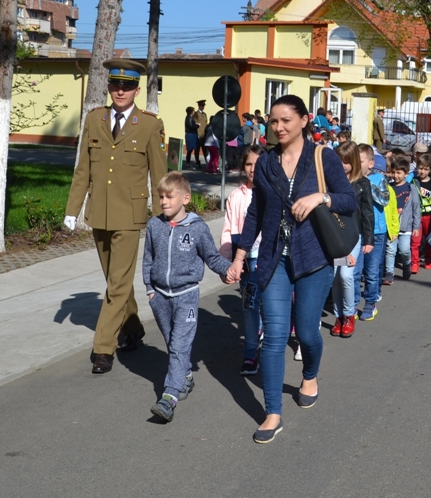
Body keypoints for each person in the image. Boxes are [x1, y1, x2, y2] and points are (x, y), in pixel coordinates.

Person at [226, 95, 357, 444]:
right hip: (273, 258)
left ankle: (310, 373)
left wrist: (320, 198)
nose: (279, 127)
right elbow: (256, 213)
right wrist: (239, 258)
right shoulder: (267, 163)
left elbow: (348, 200)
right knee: (275, 336)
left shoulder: (322, 157)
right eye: (274, 121)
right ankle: (272, 413)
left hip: (313, 257)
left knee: (310, 334)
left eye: (286, 120)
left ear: (303, 120)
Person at [64, 59, 168, 375]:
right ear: (109, 87)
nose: (120, 91)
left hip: (130, 215)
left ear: (137, 90)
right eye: (115, 85)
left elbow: (159, 174)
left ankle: (103, 348)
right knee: (116, 282)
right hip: (99, 213)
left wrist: (165, 214)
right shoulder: (95, 120)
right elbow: (84, 168)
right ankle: (133, 326)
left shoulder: (149, 124)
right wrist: (72, 209)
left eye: (127, 86)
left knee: (118, 284)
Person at [143, 172, 231, 421]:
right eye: (161, 196)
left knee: (180, 345)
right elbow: (148, 258)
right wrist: (149, 289)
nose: (164, 201)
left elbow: (212, 257)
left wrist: (229, 269)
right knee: (172, 342)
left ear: (186, 198)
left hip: (187, 296)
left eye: (170, 196)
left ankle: (168, 398)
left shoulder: (197, 228)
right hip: (160, 296)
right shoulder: (154, 226)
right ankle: (185, 376)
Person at [220, 145, 265, 375]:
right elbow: (228, 229)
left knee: (266, 305)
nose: (252, 169)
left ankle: (266, 341)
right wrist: (227, 261)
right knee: (249, 306)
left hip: (268, 260)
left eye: (257, 165)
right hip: (244, 261)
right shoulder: (236, 197)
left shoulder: (270, 194)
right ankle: (250, 355)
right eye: (249, 165)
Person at [328, 141, 371, 339]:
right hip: (334, 237)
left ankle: (349, 314)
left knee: (346, 275)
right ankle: (339, 317)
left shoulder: (362, 183)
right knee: (336, 278)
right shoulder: (330, 182)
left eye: (346, 162)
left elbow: (367, 214)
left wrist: (368, 239)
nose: (343, 165)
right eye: (339, 161)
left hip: (353, 237)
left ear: (353, 162)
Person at [358, 144, 389, 321]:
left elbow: (384, 200)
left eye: (360, 161)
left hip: (376, 232)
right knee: (356, 271)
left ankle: (370, 302)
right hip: (358, 230)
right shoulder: (352, 178)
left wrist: (367, 184)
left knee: (371, 270)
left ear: (370, 164)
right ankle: (352, 304)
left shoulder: (378, 178)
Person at [384, 155, 420, 282]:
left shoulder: (411, 188)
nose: (395, 175)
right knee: (390, 250)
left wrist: (416, 226)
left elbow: (416, 208)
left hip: (406, 226)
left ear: (406, 174)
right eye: (393, 172)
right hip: (392, 225)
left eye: (399, 173)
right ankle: (389, 273)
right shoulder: (389, 187)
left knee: (404, 250)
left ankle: (407, 264)